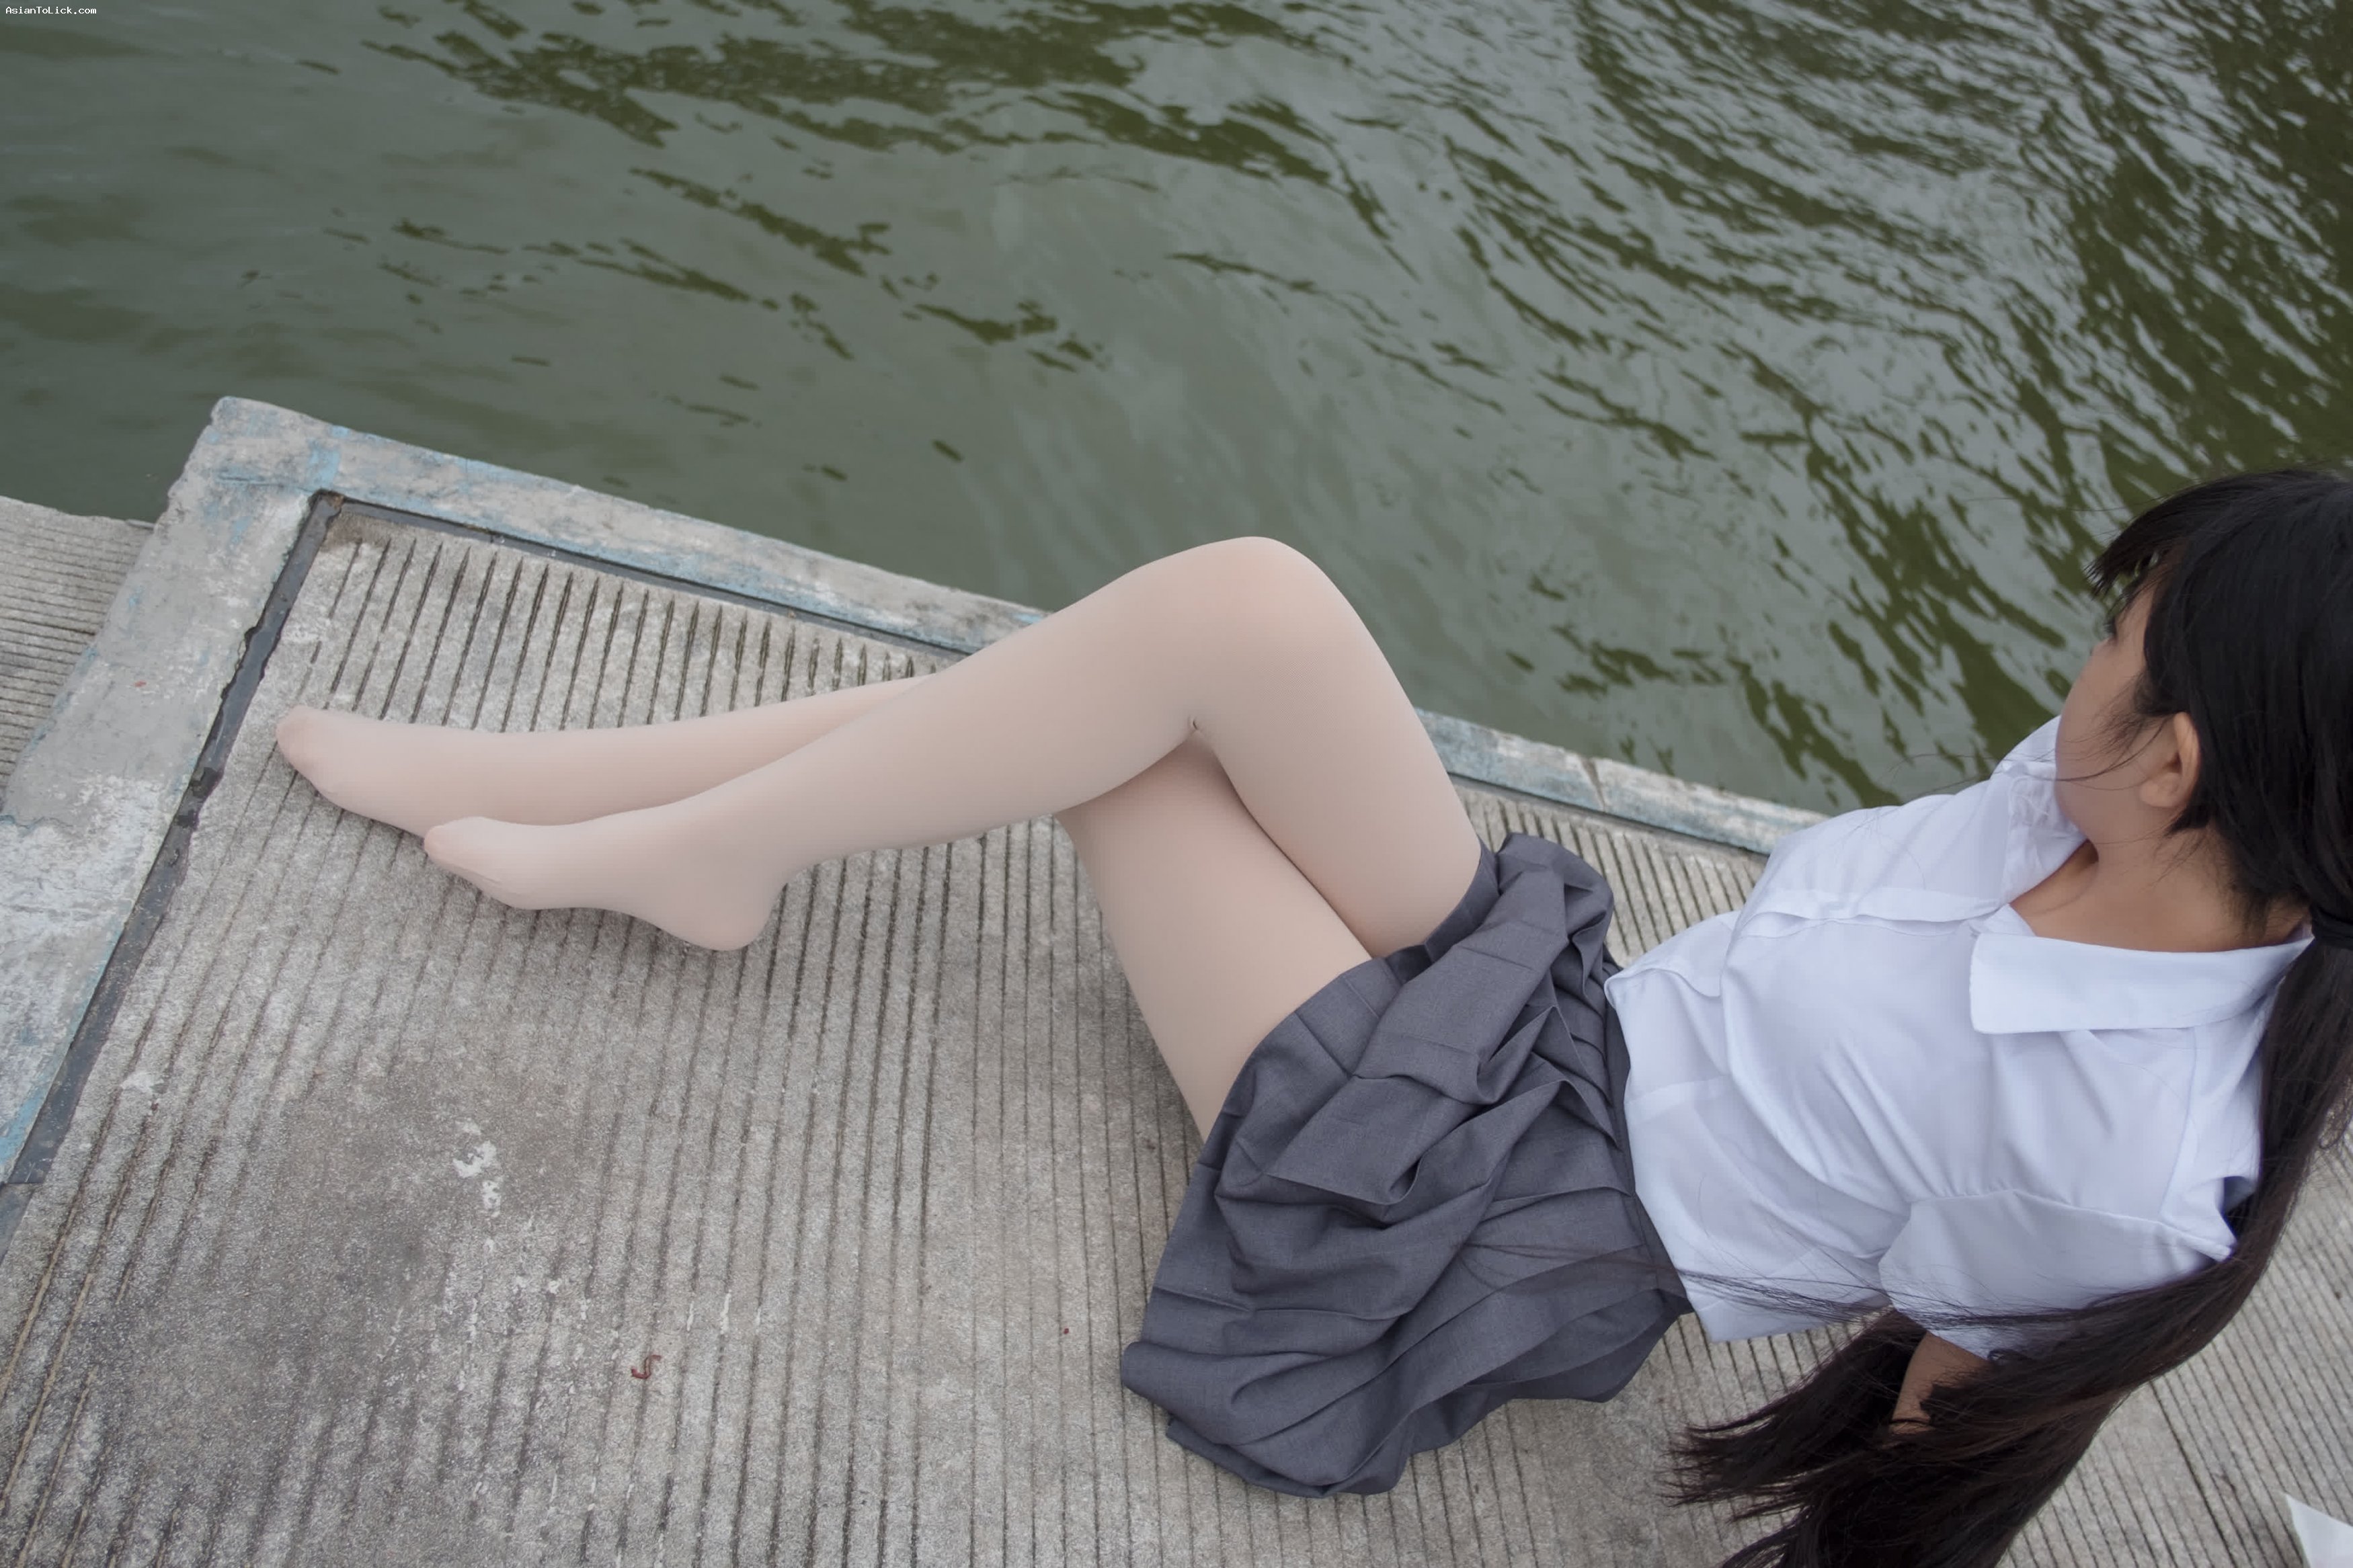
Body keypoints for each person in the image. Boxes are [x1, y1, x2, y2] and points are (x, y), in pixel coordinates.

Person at [272, 468, 2353, 1567]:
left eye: (2116, 640)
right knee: (1227, 616)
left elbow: (1966, 1426)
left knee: (1113, 749)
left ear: (2177, 764)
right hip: (1549, 1006)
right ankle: (608, 804)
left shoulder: (2129, 1161)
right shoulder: (2073, 801)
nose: (2081, 660)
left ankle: (669, 839)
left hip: (1487, 1212)